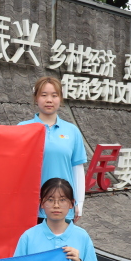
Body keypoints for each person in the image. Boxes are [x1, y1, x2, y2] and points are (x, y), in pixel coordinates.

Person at [18, 76, 87, 223]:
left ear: (60, 98)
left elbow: (77, 168)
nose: (49, 100)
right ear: (36, 98)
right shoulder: (22, 128)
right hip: (29, 207)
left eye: (54, 95)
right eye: (44, 95)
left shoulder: (72, 131)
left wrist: (79, 202)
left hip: (62, 207)